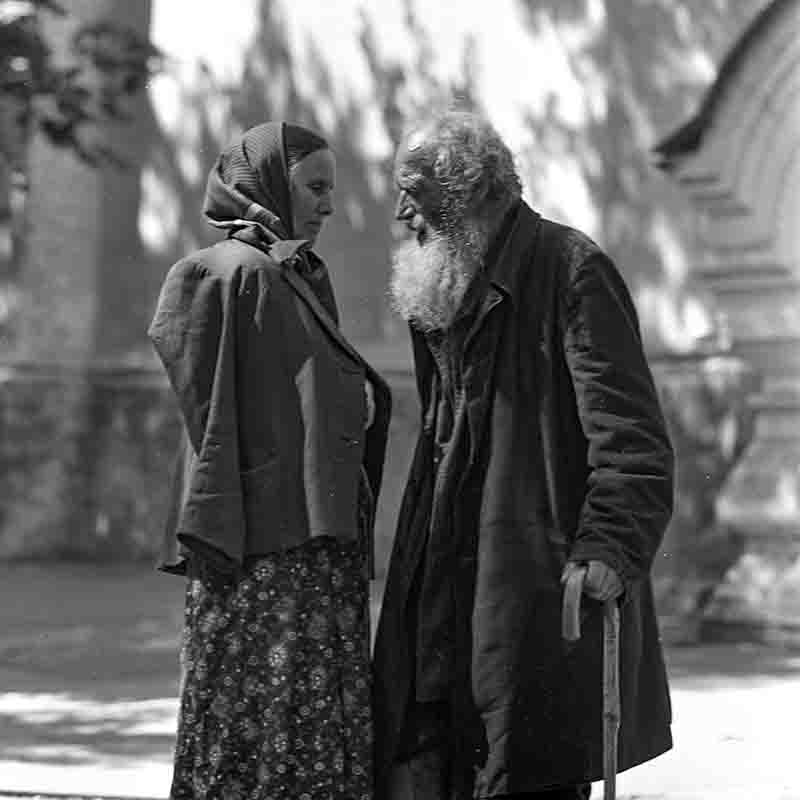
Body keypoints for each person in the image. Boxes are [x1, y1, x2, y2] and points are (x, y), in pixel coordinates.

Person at [373, 110, 675, 800]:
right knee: (433, 758)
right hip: (442, 575)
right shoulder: (444, 282)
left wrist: (608, 546)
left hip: (527, 577)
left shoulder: (571, 269)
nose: (399, 213)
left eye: (412, 190)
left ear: (470, 188)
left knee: (523, 768)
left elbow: (631, 439)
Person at [148, 121, 391, 800]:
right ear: (268, 185)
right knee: (266, 715)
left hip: (311, 548)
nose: (328, 206)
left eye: (329, 189)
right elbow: (213, 416)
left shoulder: (292, 273)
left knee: (305, 719)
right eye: (315, 186)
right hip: (265, 551)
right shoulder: (225, 272)